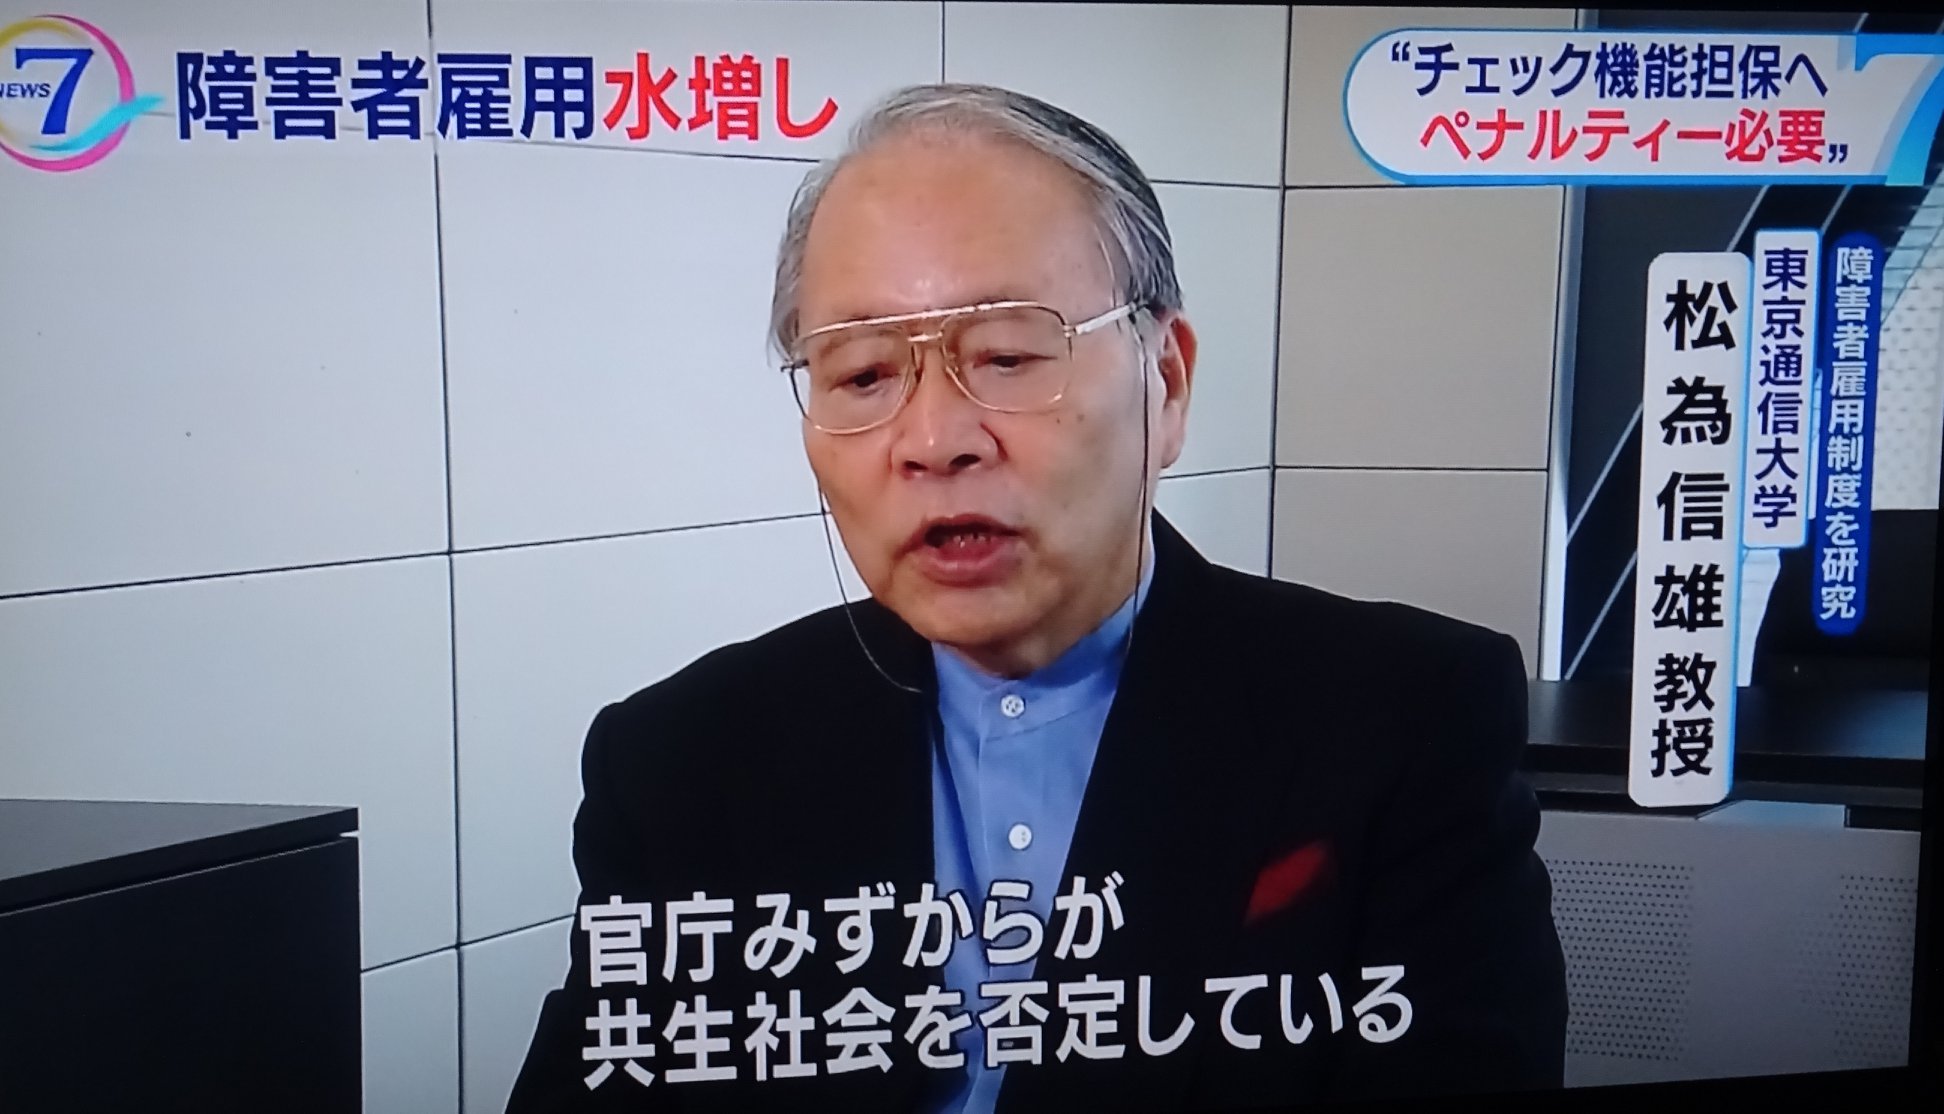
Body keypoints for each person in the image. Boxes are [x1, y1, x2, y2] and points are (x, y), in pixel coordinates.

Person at [507, 83, 1567, 1114]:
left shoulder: (1404, 721)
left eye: (1008, 355)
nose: (934, 441)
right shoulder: (682, 762)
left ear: (1167, 382)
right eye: (864, 374)